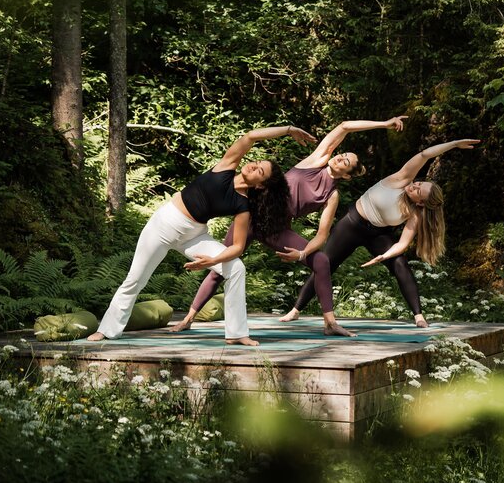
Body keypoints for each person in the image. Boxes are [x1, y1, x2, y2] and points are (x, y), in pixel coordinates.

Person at [170, 117, 408, 337]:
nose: (340, 157)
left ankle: (330, 323)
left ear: (347, 175)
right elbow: (344, 127)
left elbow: (322, 235)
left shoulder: (332, 195)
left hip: (277, 228)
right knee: (222, 267)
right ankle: (188, 318)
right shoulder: (314, 162)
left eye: (346, 162)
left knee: (321, 261)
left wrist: (302, 254)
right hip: (251, 216)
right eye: (342, 154)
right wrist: (385, 124)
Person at [87, 125, 314, 345]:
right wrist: (288, 130)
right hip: (163, 225)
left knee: (236, 268)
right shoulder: (226, 166)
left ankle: (236, 333)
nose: (253, 166)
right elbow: (250, 136)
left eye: (260, 171)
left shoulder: (242, 205)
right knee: (135, 279)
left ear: (261, 186)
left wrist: (213, 260)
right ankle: (106, 330)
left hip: (193, 235)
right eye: (257, 162)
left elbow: (237, 247)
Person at [281, 138, 480, 327]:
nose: (415, 186)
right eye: (419, 183)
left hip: (378, 234)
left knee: (400, 263)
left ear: (421, 203)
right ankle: (296, 310)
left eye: (418, 191)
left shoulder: (415, 214)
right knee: (325, 263)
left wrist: (384, 256)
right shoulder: (401, 179)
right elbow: (425, 155)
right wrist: (454, 144)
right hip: (352, 224)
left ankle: (419, 316)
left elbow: (402, 244)